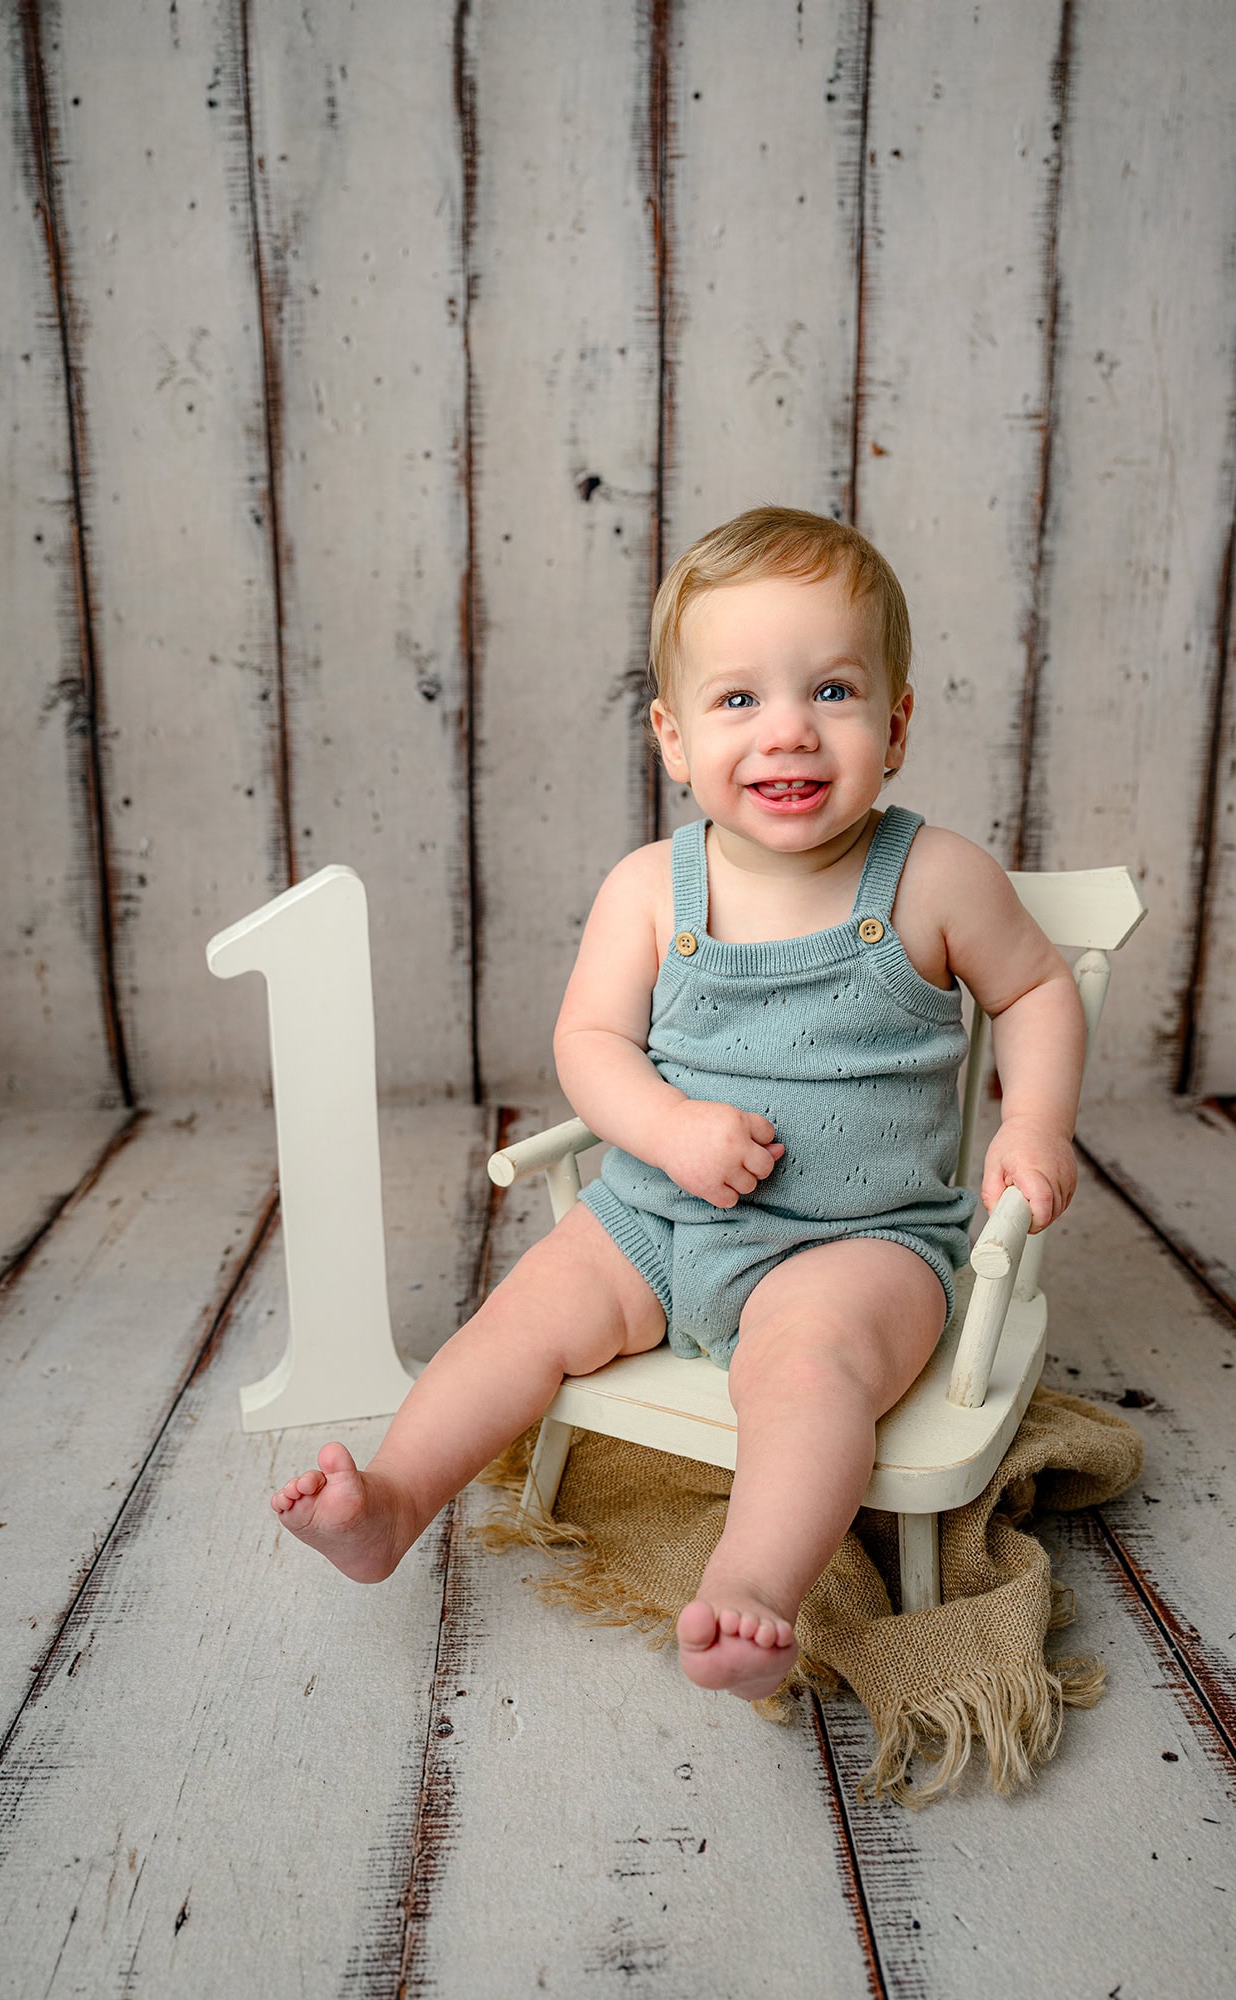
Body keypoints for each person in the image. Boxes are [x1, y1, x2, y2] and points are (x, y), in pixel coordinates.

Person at [271, 506, 1085, 1702]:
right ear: (672, 735)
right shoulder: (652, 888)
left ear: (897, 723)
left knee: (808, 1370)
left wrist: (1030, 1122)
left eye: (836, 690)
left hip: (855, 1244)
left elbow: (1036, 985)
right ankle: (392, 1498)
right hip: (656, 1213)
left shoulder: (931, 876)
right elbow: (588, 1041)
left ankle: (753, 1580)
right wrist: (660, 1127)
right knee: (519, 1317)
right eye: (739, 699)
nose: (790, 730)